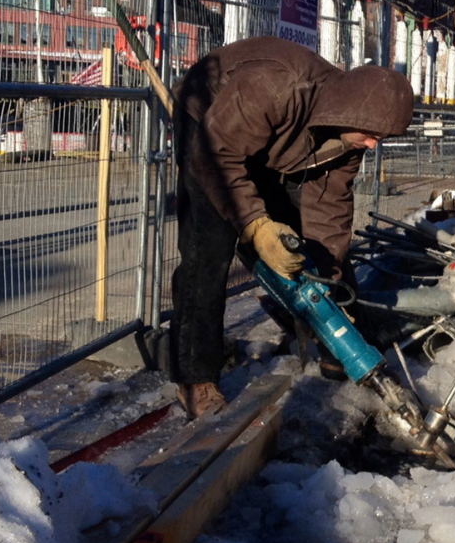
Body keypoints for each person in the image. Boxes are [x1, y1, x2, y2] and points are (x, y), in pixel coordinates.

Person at [170, 36, 414, 419]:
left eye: (378, 139)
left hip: (272, 143)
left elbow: (329, 213)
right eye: (371, 135)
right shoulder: (275, 88)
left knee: (301, 242)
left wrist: (333, 287)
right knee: (209, 250)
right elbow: (216, 154)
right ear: (351, 112)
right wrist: (254, 225)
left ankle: (336, 345)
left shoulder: (350, 137)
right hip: (210, 125)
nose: (371, 146)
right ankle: (195, 376)